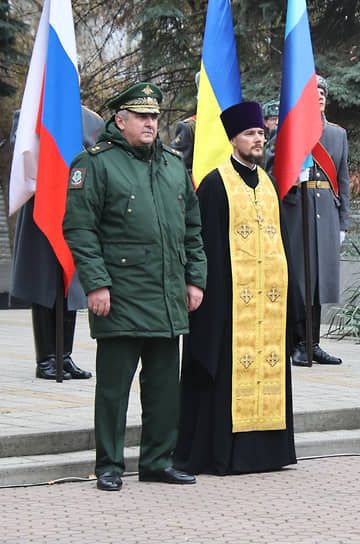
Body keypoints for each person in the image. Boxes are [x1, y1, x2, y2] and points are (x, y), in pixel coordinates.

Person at [63, 82, 207, 492]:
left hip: (167, 294)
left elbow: (193, 230)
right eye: (141, 116)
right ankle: (109, 464)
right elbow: (79, 229)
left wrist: (195, 278)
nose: (150, 123)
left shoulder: (174, 164)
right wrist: (96, 285)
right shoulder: (94, 164)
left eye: (155, 116)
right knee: (114, 388)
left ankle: (158, 460)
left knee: (164, 388)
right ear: (119, 119)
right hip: (119, 294)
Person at [174, 101, 296, 475]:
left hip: (269, 304)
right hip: (228, 303)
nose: (258, 139)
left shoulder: (270, 183)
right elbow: (204, 243)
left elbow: (283, 245)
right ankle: (223, 455)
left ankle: (266, 454)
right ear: (233, 140)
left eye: (261, 133)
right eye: (250, 134)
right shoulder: (215, 183)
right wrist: (206, 296)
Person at [9, 106, 102, 380]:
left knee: (70, 283)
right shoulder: (28, 113)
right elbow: (23, 152)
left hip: (76, 207)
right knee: (45, 282)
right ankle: (46, 359)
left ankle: (65, 356)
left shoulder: (91, 118)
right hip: (43, 209)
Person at [277, 75, 349, 367]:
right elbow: (273, 166)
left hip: (327, 212)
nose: (319, 96)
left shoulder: (336, 134)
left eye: (322, 93)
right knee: (299, 279)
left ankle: (313, 343)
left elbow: (342, 179)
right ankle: (296, 343)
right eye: (313, 92)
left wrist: (344, 222)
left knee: (319, 281)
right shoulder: (290, 129)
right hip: (297, 209)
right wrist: (293, 178)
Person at [262, 100, 279, 173]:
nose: (277, 122)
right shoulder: (259, 144)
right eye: (273, 119)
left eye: (280, 118)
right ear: (265, 123)